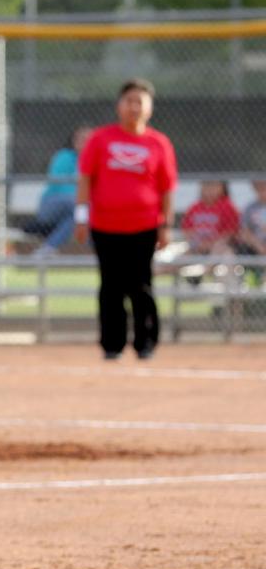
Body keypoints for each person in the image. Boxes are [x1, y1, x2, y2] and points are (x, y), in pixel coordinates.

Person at [75, 78, 177, 361]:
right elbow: (85, 179)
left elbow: (167, 188)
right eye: (129, 100)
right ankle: (112, 345)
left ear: (149, 109)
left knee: (141, 286)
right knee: (110, 286)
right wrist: (81, 216)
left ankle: (146, 343)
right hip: (105, 226)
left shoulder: (159, 143)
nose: (134, 106)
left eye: (139, 101)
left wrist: (165, 224)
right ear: (119, 106)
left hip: (144, 227)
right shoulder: (101, 139)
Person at [31, 125, 91, 257]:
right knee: (82, 208)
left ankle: (48, 248)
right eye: (81, 139)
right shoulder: (64, 156)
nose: (85, 143)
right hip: (52, 206)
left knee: (76, 216)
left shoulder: (96, 161)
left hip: (77, 211)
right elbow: (61, 186)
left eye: (89, 139)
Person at [181, 180, 239, 258]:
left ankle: (204, 269)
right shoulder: (195, 207)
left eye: (214, 185)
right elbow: (186, 230)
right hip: (197, 246)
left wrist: (210, 244)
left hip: (219, 246)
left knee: (222, 251)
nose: (209, 189)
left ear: (223, 188)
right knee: (179, 257)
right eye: (206, 185)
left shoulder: (227, 206)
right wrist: (197, 243)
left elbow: (230, 233)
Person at [234, 180, 266, 284]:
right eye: (259, 188)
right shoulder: (250, 208)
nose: (263, 191)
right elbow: (244, 232)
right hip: (254, 247)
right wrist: (259, 246)